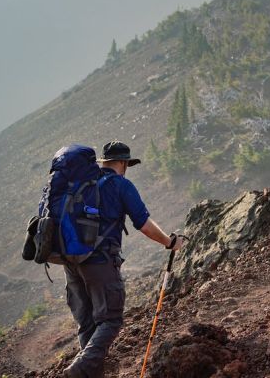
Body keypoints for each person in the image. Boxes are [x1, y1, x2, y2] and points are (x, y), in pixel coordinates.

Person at [63, 141, 184, 378]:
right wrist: (169, 242)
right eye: (126, 163)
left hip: (71, 261)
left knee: (88, 324)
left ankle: (87, 373)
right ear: (122, 163)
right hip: (100, 262)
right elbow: (144, 225)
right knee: (110, 321)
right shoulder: (121, 185)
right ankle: (79, 370)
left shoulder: (82, 184)